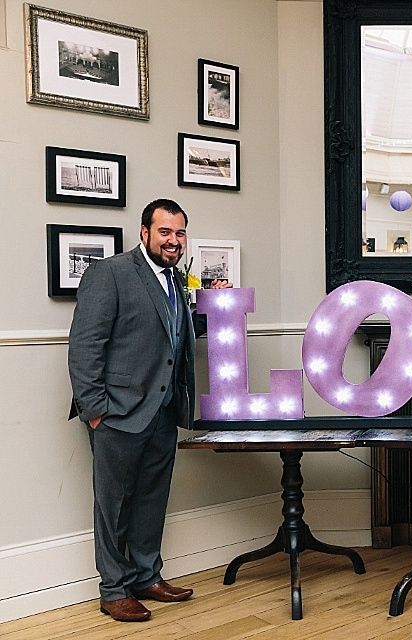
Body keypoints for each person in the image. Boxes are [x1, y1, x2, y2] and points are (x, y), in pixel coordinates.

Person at [68, 199, 230, 622]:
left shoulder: (176, 280)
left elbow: (174, 330)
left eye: (179, 233)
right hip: (118, 413)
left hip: (163, 410)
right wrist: (95, 411)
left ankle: (146, 575)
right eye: (165, 232)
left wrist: (215, 311)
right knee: (113, 506)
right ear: (144, 233)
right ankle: (113, 588)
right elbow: (85, 347)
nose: (173, 241)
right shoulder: (111, 273)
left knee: (151, 500)